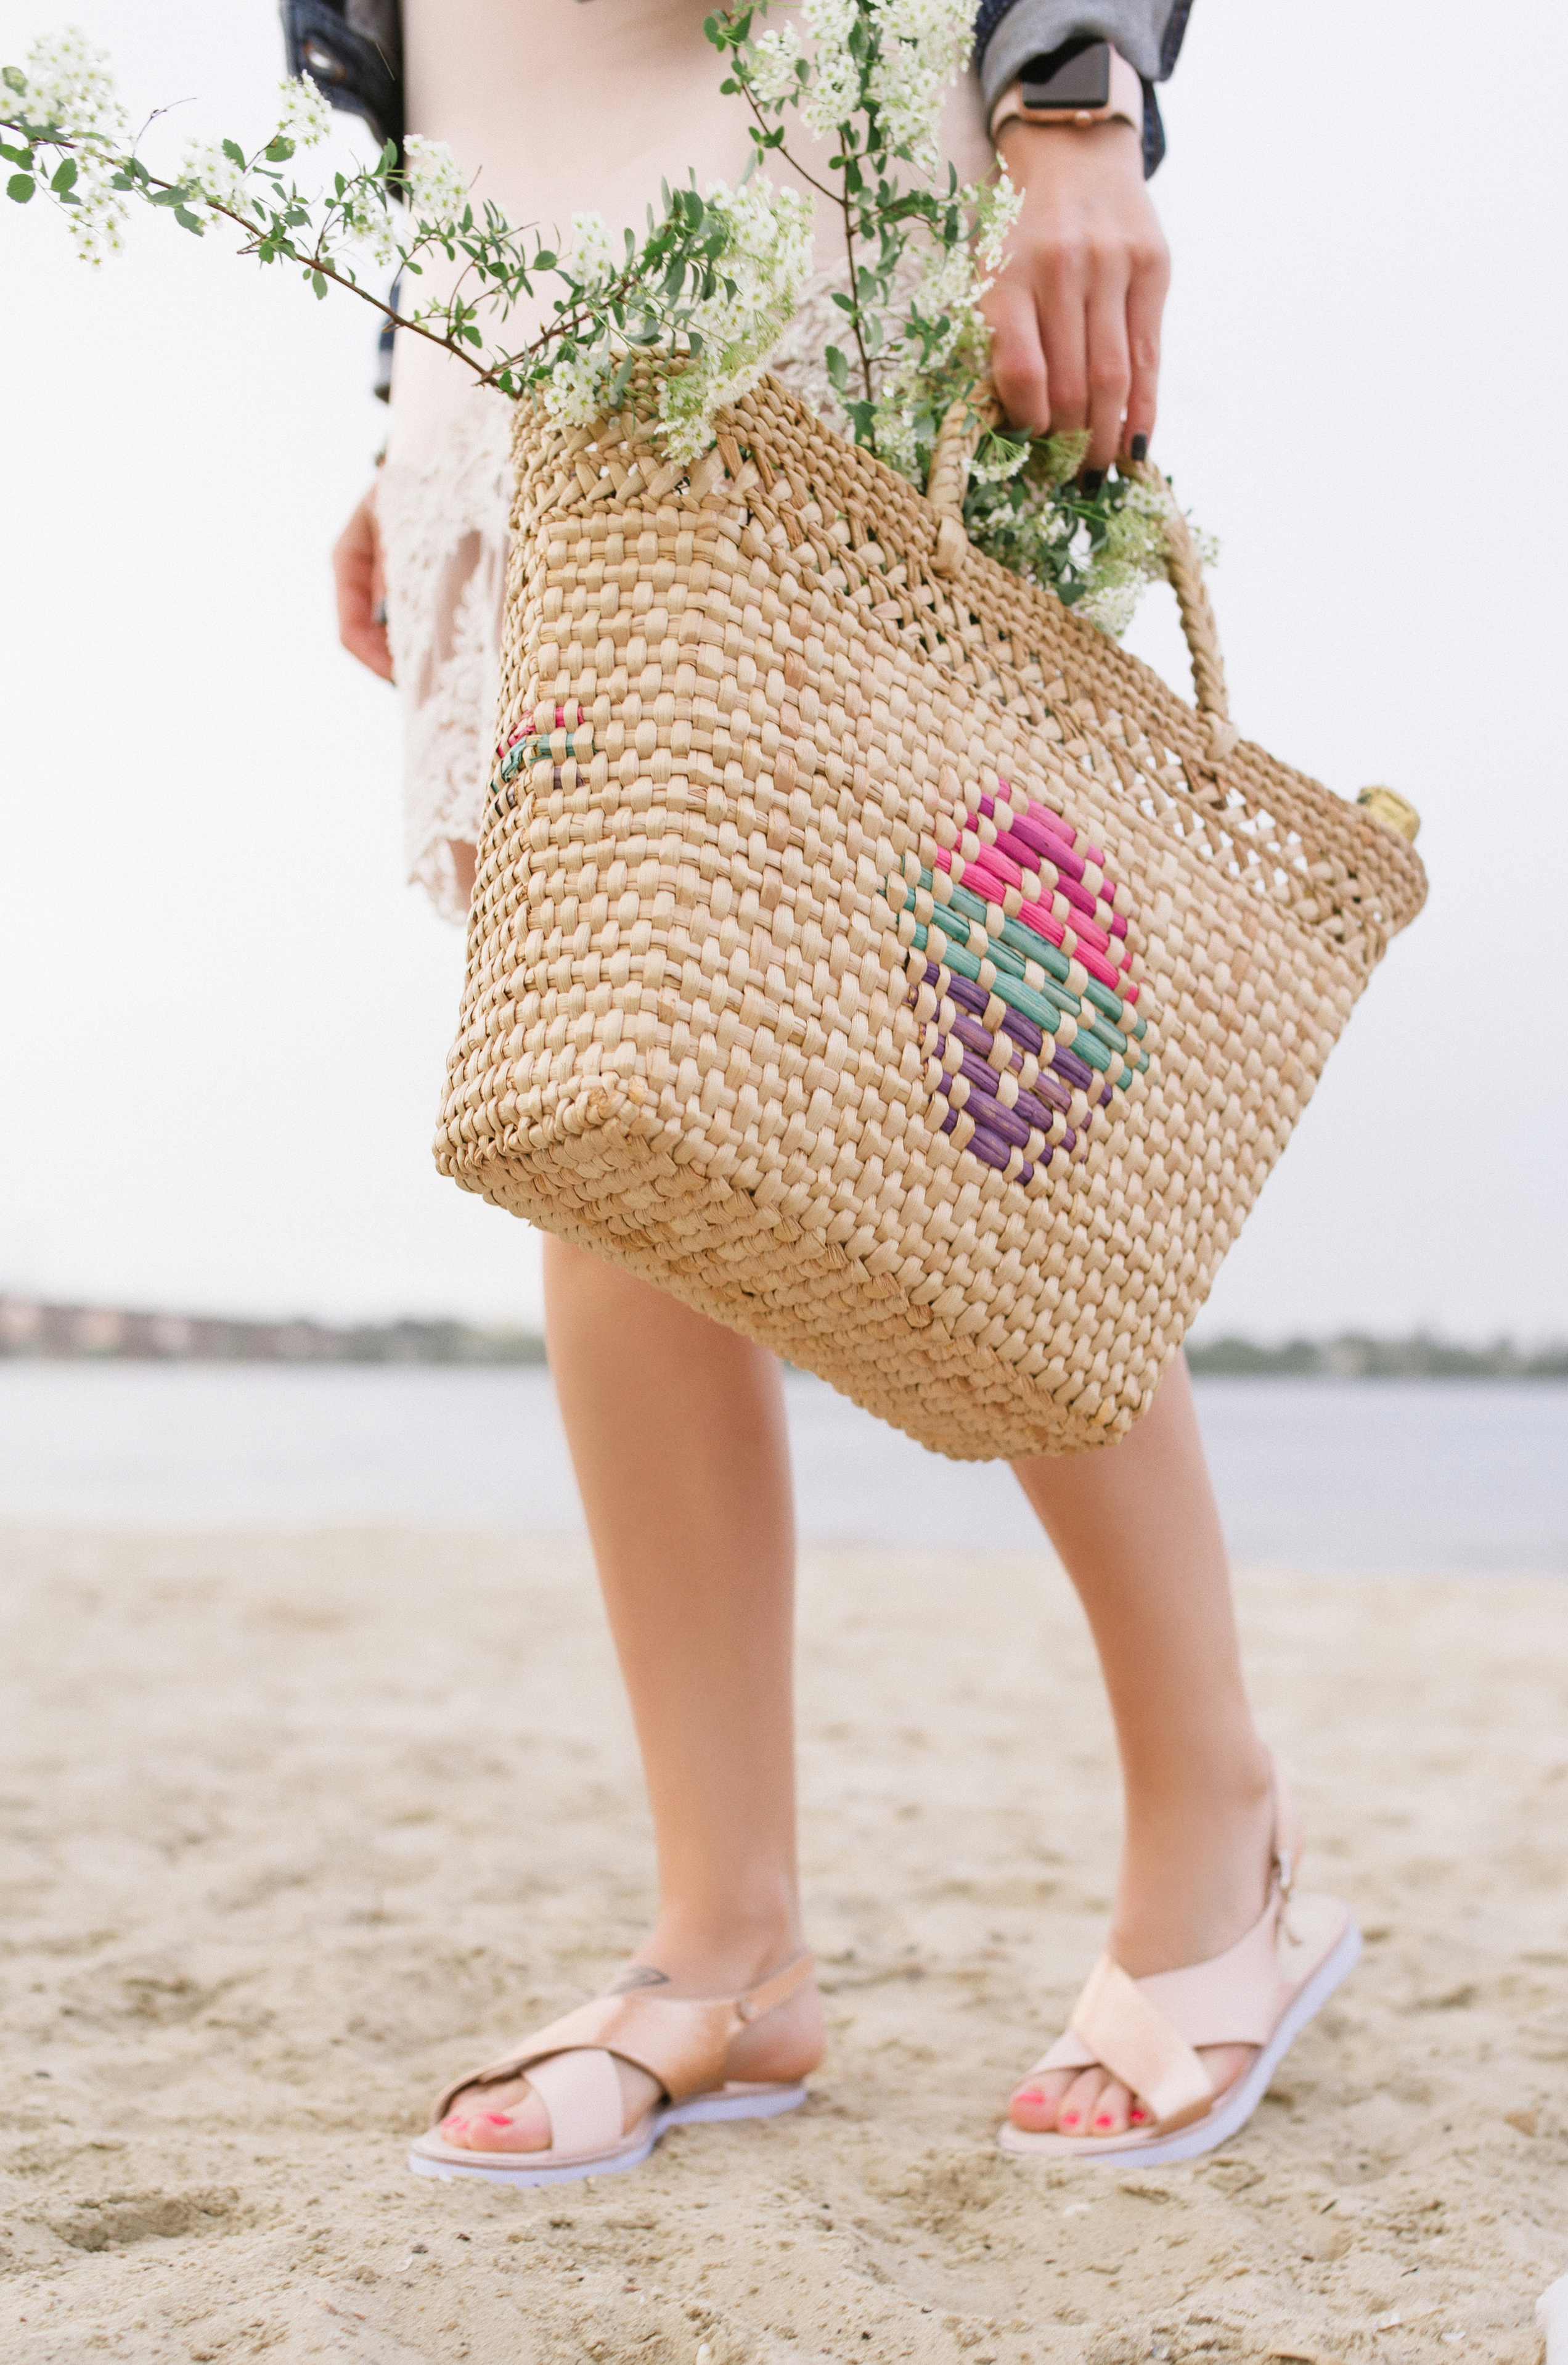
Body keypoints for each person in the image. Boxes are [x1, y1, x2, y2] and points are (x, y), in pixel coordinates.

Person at [327, 0, 1357, 2182]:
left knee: (988, 1078)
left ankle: (1216, 1821)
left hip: (811, 191)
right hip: (506, 304)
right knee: (611, 1066)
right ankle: (728, 1939)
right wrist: (397, 383)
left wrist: (1073, 100)